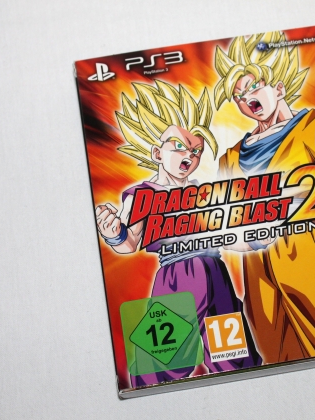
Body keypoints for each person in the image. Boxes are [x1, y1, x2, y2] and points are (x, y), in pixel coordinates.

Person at [213, 32, 315, 363]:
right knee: (276, 356)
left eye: (254, 86)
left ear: (278, 88)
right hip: (257, 272)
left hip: (309, 257)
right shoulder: (229, 157)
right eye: (239, 96)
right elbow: (224, 225)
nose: (247, 98)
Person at [95, 80, 261, 386]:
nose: (189, 156)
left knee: (236, 359)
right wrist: (114, 233)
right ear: (157, 153)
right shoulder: (143, 194)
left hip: (217, 273)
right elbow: (129, 243)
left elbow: (227, 236)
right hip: (178, 277)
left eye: (196, 151)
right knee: (157, 366)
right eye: (179, 146)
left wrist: (255, 237)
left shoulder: (203, 192)